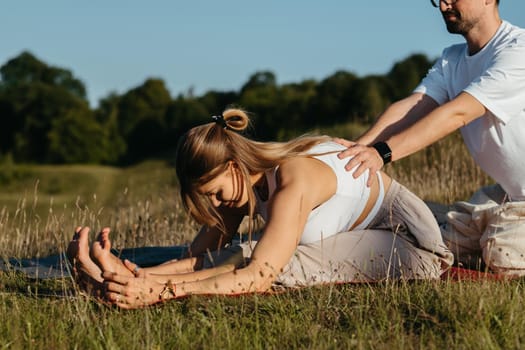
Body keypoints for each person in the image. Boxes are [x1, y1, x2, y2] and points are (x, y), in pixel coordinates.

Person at [67, 107, 453, 309]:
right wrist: (133, 273)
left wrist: (159, 292)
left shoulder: (291, 181)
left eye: (215, 193)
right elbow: (202, 255)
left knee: (280, 264)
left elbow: (259, 277)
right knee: (244, 252)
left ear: (234, 167)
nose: (217, 204)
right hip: (363, 237)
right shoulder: (244, 184)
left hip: (411, 246)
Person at [336, 0, 525, 275]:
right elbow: (414, 106)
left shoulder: (517, 49)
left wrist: (383, 153)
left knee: (502, 255)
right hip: (511, 194)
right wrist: (358, 148)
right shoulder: (453, 59)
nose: (444, 4)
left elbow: (458, 113)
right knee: (438, 238)